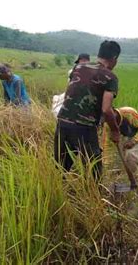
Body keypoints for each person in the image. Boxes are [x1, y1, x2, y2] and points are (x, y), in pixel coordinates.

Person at [54, 41, 121, 180]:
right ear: (114, 59)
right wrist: (115, 130)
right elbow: (106, 109)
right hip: (84, 128)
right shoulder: (110, 77)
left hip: (63, 122)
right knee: (94, 171)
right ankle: (94, 198)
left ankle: (54, 195)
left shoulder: (77, 67)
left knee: (60, 167)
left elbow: (69, 94)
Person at [102, 107, 138, 181]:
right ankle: (132, 180)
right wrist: (107, 167)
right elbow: (107, 146)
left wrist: (134, 141)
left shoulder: (129, 113)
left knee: (131, 155)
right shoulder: (107, 125)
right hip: (127, 136)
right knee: (118, 160)